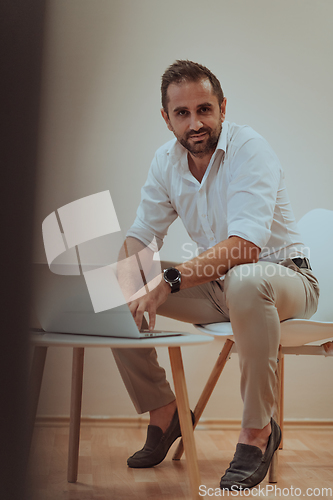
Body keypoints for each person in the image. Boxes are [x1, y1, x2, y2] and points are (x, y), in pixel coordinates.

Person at [113, 60, 320, 491]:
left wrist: (167, 281)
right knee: (120, 280)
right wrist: (131, 273)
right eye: (182, 113)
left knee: (245, 278)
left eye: (204, 109)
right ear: (166, 117)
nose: (195, 123)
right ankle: (164, 411)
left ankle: (258, 432)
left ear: (223, 108)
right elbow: (140, 236)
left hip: (285, 281)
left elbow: (245, 249)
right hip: (218, 287)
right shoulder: (165, 162)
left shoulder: (249, 149)